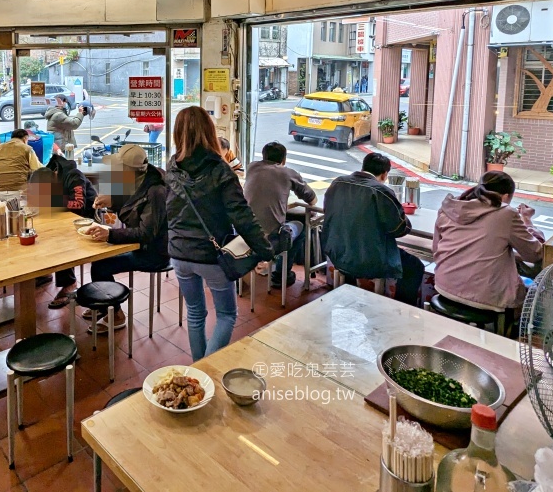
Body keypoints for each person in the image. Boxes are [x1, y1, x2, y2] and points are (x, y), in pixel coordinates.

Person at [165, 107, 272, 360]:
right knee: (226, 315)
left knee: (194, 312)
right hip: (212, 256)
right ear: (209, 131)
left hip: (179, 253)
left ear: (177, 133)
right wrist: (265, 249)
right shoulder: (221, 171)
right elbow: (242, 217)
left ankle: (199, 371)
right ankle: (206, 374)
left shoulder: (171, 168)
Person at [321, 152, 424, 307]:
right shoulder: (381, 191)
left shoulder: (337, 183)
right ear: (384, 174)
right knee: (415, 266)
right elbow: (399, 228)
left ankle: (350, 296)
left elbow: (328, 213)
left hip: (338, 252)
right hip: (370, 259)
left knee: (354, 255)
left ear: (363, 167)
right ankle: (402, 311)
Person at [84, 144, 169, 332]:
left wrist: (110, 234)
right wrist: (112, 202)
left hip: (155, 253)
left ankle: (116, 314)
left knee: (100, 266)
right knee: (99, 260)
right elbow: (133, 207)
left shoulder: (156, 192)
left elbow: (146, 233)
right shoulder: (139, 181)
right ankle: (103, 305)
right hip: (141, 246)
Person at [433, 171, 544, 312]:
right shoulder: (507, 213)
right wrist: (527, 221)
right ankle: (505, 332)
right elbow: (534, 254)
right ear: (505, 197)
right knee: (529, 298)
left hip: (444, 284)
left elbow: (436, 249)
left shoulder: (449, 207)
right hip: (485, 296)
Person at [244, 141, 316, 288]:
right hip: (270, 239)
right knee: (300, 227)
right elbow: (312, 199)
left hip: (246, 235)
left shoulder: (252, 167)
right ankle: (281, 276)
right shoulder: (288, 173)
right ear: (284, 159)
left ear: (263, 156)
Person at [39, 153, 98, 307]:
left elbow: (78, 203)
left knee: (60, 240)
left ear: (55, 173)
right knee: (41, 231)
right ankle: (42, 271)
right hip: (67, 215)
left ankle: (69, 283)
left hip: (87, 217)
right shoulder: (53, 175)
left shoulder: (74, 176)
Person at [0, 129, 41, 203]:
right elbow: (38, 169)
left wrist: (0, 186)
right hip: (18, 194)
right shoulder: (26, 148)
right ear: (25, 138)